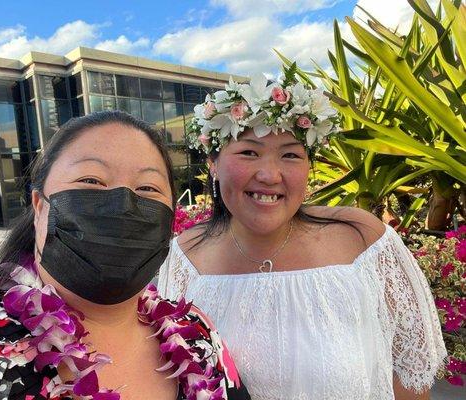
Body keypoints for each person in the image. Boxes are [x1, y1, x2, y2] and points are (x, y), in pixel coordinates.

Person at [158, 71, 447, 399]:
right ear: (213, 162)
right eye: (249, 152)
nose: (269, 175)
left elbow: (409, 380)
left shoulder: (364, 242)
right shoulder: (182, 259)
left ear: (309, 164)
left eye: (291, 154)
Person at [0, 111, 250, 400]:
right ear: (39, 206)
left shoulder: (197, 335)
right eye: (91, 180)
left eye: (148, 189)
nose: (123, 204)